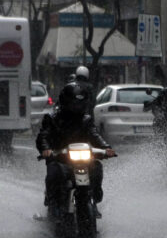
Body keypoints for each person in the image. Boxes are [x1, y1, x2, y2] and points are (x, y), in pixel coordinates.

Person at [36, 82, 116, 216]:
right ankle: (53, 203)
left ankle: (94, 199)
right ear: (66, 102)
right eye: (74, 104)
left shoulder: (86, 119)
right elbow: (43, 136)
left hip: (82, 157)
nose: (77, 107)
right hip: (59, 158)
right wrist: (46, 149)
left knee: (96, 167)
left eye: (80, 104)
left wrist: (106, 148)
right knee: (54, 172)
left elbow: (95, 135)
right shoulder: (52, 118)